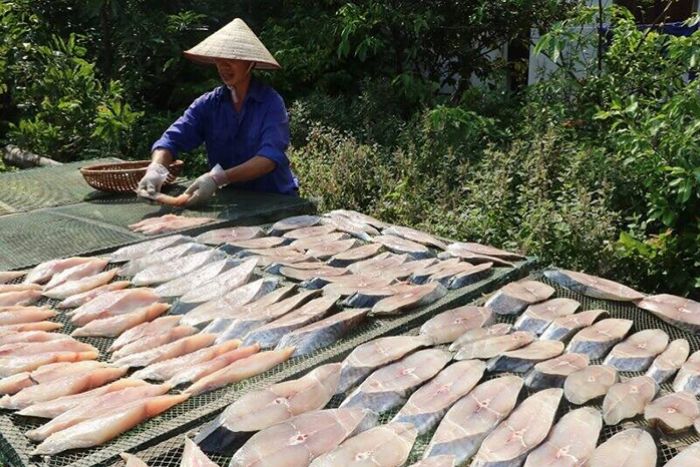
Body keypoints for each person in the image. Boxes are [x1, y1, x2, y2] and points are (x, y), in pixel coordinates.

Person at [137, 18, 298, 207]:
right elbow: (172, 139)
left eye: (232, 59)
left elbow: (269, 158)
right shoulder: (209, 104)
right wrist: (156, 169)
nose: (224, 66)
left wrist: (218, 178)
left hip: (276, 200)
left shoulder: (270, 103)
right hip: (231, 201)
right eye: (219, 59)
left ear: (250, 64)